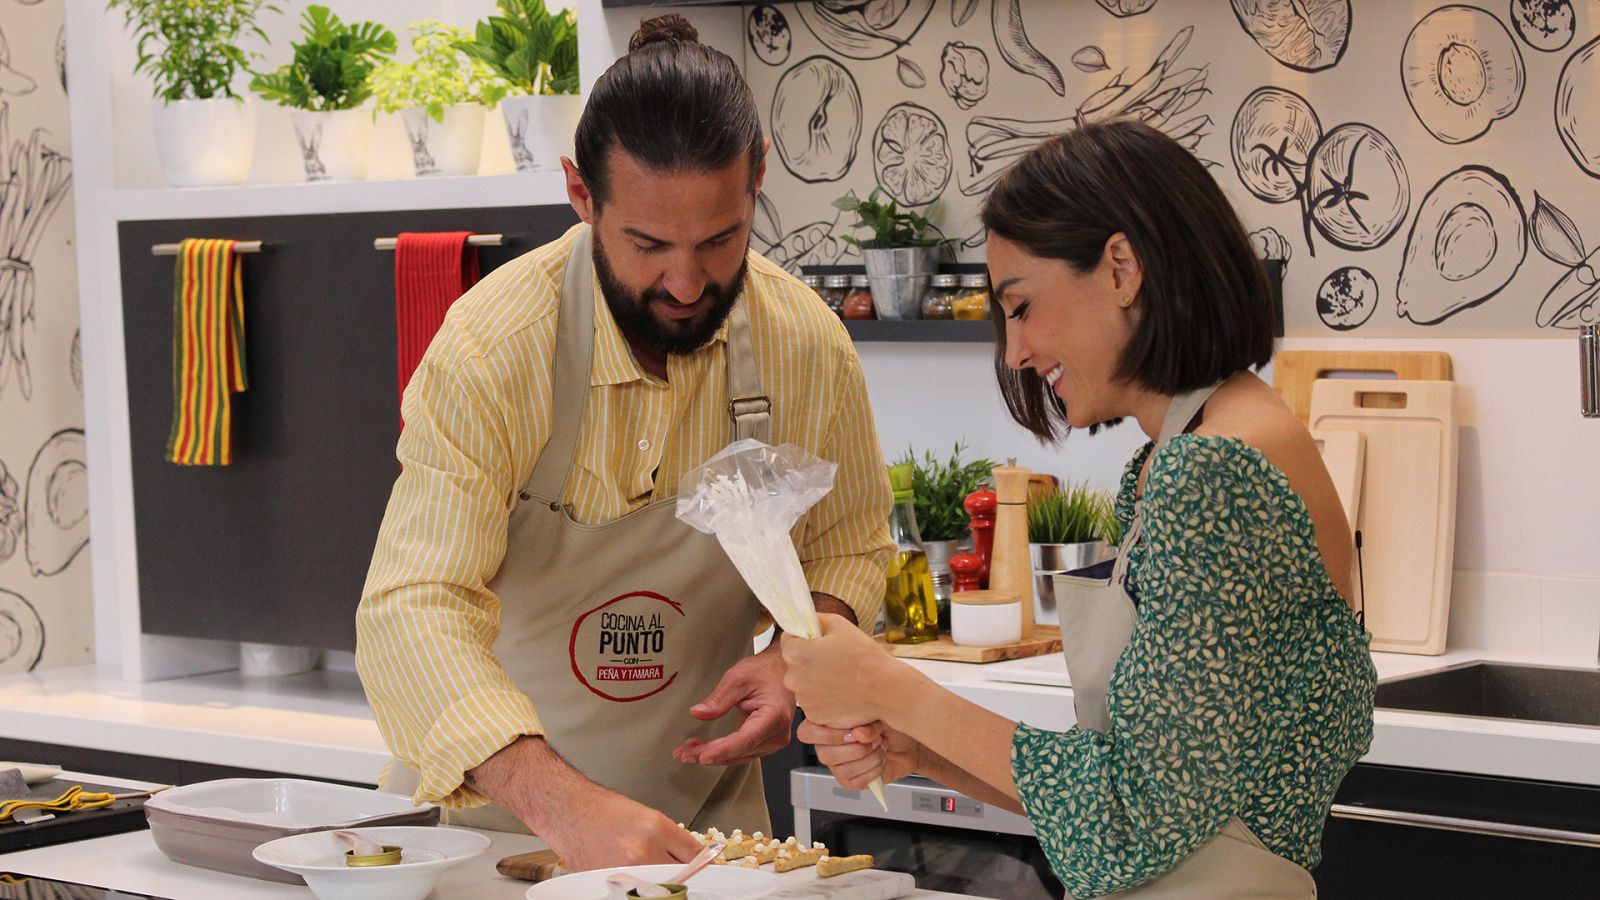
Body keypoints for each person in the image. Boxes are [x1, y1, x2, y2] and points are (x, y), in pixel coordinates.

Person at [781, 120, 1376, 898]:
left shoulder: (1214, 476)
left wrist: (888, 684)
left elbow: (1132, 812)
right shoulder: (1184, 453)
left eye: (1020, 306)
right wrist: (917, 752)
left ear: (1122, 267)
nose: (1013, 351)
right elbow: (1125, 791)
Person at [356, 15, 892, 870]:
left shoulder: (805, 343)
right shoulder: (494, 349)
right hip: (500, 840)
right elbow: (410, 610)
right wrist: (562, 806)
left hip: (711, 848)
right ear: (580, 193)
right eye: (647, 245)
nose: (685, 282)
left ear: (756, 175)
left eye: (719, 241)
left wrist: (799, 653)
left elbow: (850, 548)